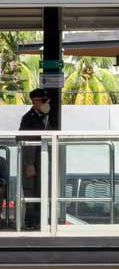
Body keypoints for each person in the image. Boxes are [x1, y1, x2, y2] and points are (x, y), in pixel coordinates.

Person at [18, 88, 51, 229]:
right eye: (42, 101)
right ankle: (30, 221)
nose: (46, 103)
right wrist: (29, 164)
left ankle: (40, 221)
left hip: (41, 158)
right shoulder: (28, 118)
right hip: (31, 159)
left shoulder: (46, 116)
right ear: (35, 102)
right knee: (30, 190)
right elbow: (25, 141)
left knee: (41, 189)